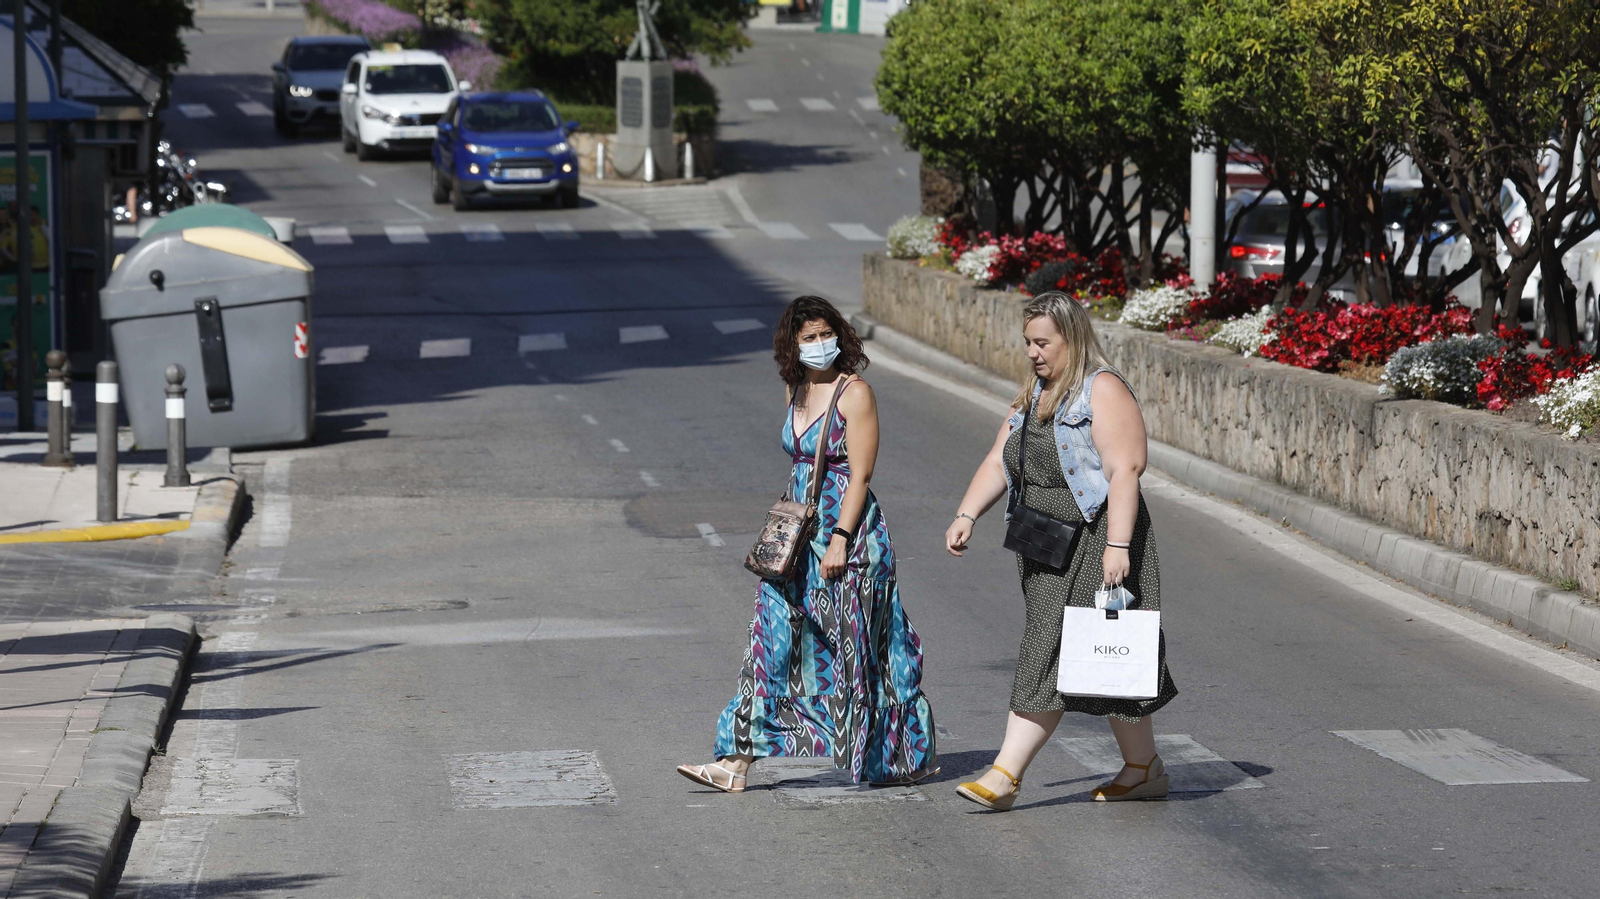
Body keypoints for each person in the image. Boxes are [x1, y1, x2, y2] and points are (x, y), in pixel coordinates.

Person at [678, 295, 937, 792]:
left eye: (825, 334)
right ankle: (735, 762)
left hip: (849, 535)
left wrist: (840, 539)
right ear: (792, 347)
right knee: (770, 643)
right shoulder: (795, 389)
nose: (820, 345)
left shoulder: (855, 393)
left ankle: (899, 755)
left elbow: (860, 475)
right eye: (808, 338)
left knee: (861, 648)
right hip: (795, 539)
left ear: (839, 335)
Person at [945, 291, 1177, 810]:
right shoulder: (1035, 392)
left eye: (1042, 342)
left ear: (1071, 339)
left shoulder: (1103, 390)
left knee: (1048, 651)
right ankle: (1143, 769)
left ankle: (1005, 774)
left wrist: (1117, 547)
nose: (1032, 352)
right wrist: (967, 514)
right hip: (1044, 540)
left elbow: (1126, 471)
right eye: (1027, 342)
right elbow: (999, 461)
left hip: (1097, 537)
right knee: (1107, 660)